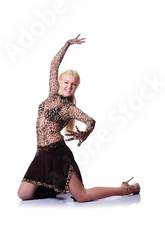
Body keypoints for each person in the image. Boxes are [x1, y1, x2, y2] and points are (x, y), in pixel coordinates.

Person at [17, 34, 140, 202]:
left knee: (82, 196)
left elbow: (91, 121)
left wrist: (83, 134)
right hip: (41, 153)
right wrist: (67, 44)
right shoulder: (52, 93)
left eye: (73, 84)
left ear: (77, 87)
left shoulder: (69, 108)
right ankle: (57, 187)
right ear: (60, 82)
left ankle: (125, 189)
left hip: (57, 153)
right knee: (23, 195)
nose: (69, 86)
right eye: (66, 82)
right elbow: (54, 65)